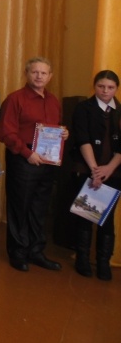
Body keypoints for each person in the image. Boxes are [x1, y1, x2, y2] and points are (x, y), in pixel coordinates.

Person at [0, 57, 68, 272]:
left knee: (40, 206)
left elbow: (55, 128)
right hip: (23, 157)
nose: (39, 76)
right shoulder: (15, 99)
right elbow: (6, 133)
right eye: (35, 72)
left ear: (50, 76)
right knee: (20, 206)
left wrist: (63, 134)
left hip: (48, 160)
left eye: (43, 73)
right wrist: (27, 153)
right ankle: (18, 252)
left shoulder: (54, 101)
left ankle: (36, 251)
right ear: (26, 74)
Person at [69, 70, 121, 280]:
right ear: (95, 86)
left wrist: (108, 169)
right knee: (85, 215)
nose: (105, 91)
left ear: (116, 89)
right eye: (101, 86)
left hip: (114, 171)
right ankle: (82, 259)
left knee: (106, 218)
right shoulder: (84, 108)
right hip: (87, 168)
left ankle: (103, 262)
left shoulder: (119, 110)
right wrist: (95, 170)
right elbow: (83, 139)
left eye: (110, 87)